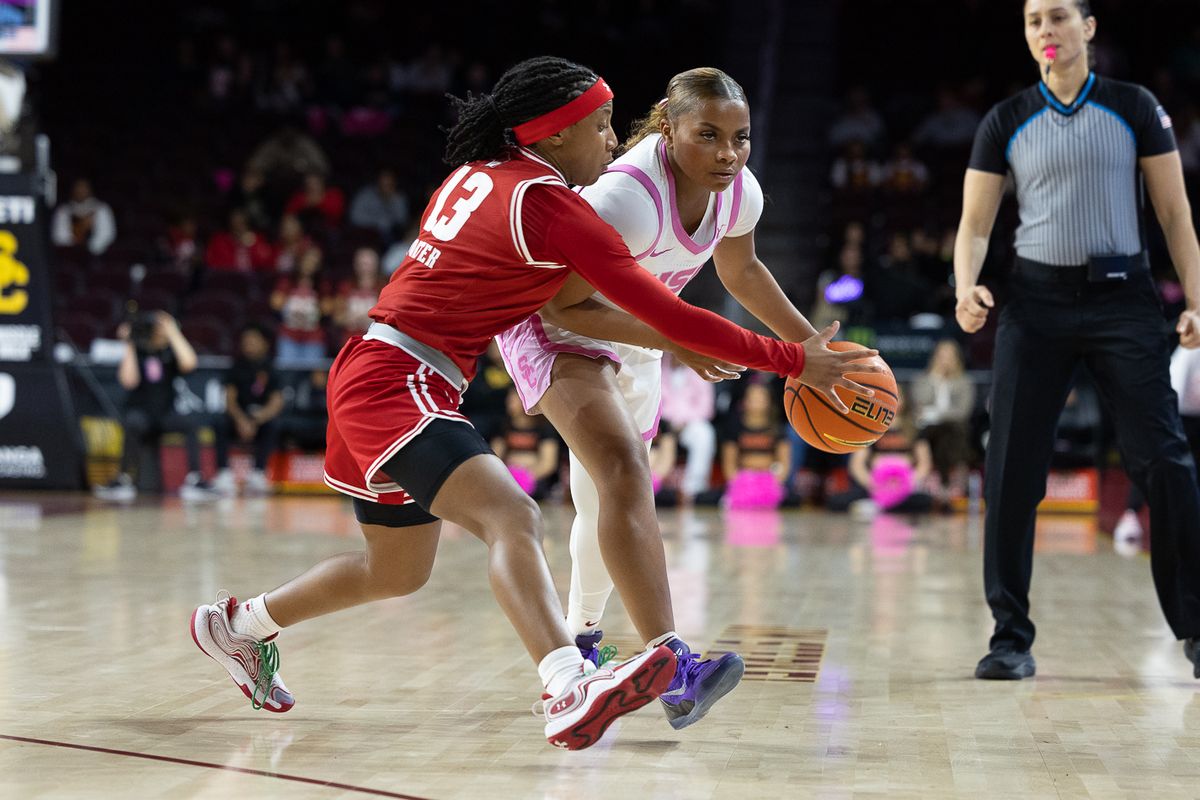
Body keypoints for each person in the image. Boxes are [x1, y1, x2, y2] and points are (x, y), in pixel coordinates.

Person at [190, 56, 876, 751]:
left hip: (382, 368)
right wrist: (794, 359)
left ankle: (237, 625)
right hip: (398, 379)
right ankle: (567, 683)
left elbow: (676, 306)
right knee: (512, 513)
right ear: (550, 136)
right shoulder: (551, 207)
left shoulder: (480, 174)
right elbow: (671, 313)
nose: (613, 143)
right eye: (602, 127)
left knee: (395, 571)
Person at [496, 67, 875, 729]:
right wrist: (677, 339)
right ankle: (667, 667)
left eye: (740, 137)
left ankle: (584, 644)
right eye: (708, 135)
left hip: (639, 330)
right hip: (557, 326)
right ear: (668, 130)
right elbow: (567, 305)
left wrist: (817, 352)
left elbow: (742, 269)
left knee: (607, 497)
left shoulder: (738, 191)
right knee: (622, 482)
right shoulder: (625, 200)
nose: (728, 153)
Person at [955, 0, 1200, 681]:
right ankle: (1010, 636)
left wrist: (1199, 300)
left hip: (1124, 301)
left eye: (1059, 17)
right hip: (1034, 304)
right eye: (1034, 20)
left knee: (1166, 463)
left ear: (1088, 29)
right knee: (1009, 471)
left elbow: (1175, 213)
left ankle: (1196, 628)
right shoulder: (1005, 118)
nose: (1045, 31)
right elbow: (976, 225)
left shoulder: (1134, 106)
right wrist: (965, 286)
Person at [93, 311, 218, 502]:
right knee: (132, 422)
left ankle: (195, 479)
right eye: (156, 328)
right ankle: (123, 479)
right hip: (142, 413)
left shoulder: (169, 352)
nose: (157, 331)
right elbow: (128, 381)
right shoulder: (139, 351)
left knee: (191, 424)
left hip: (165, 414)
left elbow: (190, 363)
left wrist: (173, 332)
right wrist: (130, 343)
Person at [213, 324, 284, 497]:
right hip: (238, 417)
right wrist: (242, 421)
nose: (249, 345)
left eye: (253, 341)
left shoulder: (271, 368)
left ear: (264, 344)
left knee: (274, 425)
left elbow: (276, 402)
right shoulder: (236, 367)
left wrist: (257, 420)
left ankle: (259, 473)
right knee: (219, 422)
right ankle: (223, 473)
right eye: (246, 341)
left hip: (259, 417)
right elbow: (229, 400)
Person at [909, 339, 975, 503]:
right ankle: (941, 485)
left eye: (949, 356)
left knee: (947, 432)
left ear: (956, 359)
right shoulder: (923, 380)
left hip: (954, 429)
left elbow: (962, 412)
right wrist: (935, 379)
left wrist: (936, 414)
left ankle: (943, 485)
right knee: (930, 433)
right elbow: (918, 403)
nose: (945, 360)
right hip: (926, 429)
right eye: (942, 356)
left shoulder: (964, 382)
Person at [491, 389, 560, 501]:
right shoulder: (504, 426)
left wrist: (525, 477)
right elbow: (494, 456)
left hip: (535, 481)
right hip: (507, 478)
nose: (509, 403)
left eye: (514, 400)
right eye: (509, 400)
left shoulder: (544, 428)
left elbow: (548, 463)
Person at [270, 247, 333, 367]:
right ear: (300, 260)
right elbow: (275, 303)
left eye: (314, 260)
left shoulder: (323, 285)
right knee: (287, 372)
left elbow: (327, 309)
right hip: (289, 335)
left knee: (311, 373)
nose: (310, 263)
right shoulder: (287, 282)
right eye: (307, 259)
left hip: (313, 337)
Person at [51, 178, 116, 256]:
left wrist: (89, 249)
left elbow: (107, 235)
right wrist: (80, 228)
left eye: (84, 188)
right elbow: (60, 238)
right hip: (69, 257)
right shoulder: (64, 211)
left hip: (97, 257)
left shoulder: (101, 209)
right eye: (78, 188)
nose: (81, 191)